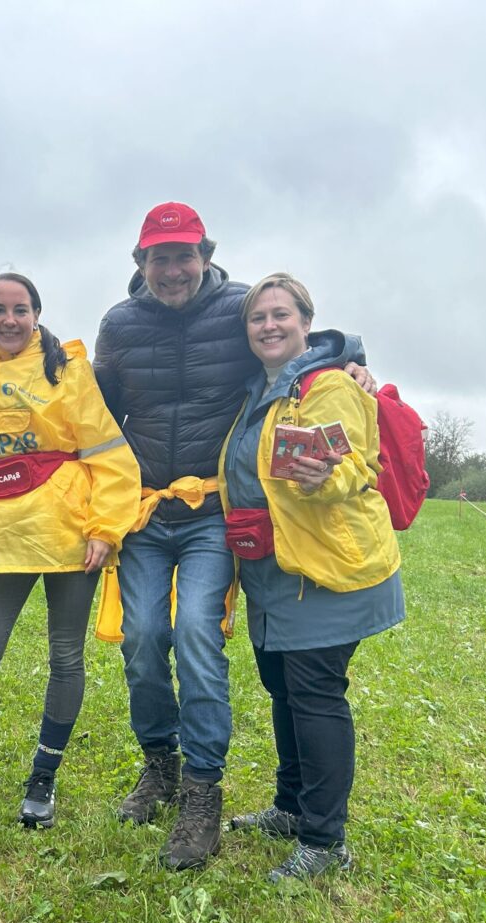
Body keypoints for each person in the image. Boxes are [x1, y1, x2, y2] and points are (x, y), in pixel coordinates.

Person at [93, 202, 372, 870]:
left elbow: (307, 342)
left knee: (194, 629)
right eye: (158, 257)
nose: (172, 269)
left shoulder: (242, 307)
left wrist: (358, 363)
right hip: (147, 513)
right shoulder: (118, 325)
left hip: (215, 515)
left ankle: (201, 793)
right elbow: (93, 414)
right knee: (140, 639)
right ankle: (158, 765)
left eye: (183, 255)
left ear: (205, 255)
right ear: (140, 263)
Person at [0, 273, 139, 828]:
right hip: (0, 531)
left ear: (36, 314)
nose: (9, 320)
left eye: (20, 309)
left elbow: (109, 451)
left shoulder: (67, 369)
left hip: (70, 531)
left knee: (65, 657)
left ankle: (44, 778)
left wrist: (106, 528)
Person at [220, 273, 403, 882]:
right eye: (257, 318)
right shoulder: (262, 389)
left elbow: (357, 460)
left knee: (316, 695)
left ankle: (325, 843)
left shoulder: (327, 385)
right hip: (272, 570)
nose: (269, 326)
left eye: (280, 315)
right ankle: (292, 806)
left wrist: (329, 475)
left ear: (306, 321)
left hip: (326, 568)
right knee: (282, 688)